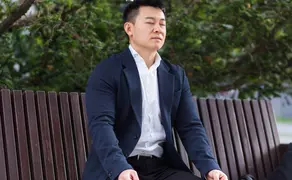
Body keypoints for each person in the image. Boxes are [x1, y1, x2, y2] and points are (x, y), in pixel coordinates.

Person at [82, 0, 228, 180]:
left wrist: (210, 167)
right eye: (150, 23)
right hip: (119, 168)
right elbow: (101, 125)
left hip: (161, 168)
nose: (158, 29)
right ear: (129, 29)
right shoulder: (108, 70)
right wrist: (120, 168)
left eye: (162, 24)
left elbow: (190, 126)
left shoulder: (175, 75)